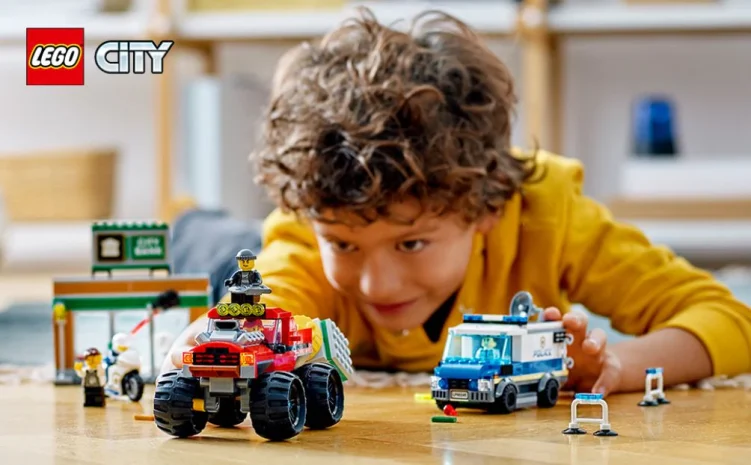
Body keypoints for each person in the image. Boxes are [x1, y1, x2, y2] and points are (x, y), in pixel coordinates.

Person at [162, 9, 751, 396]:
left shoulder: (545, 213)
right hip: (228, 248)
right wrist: (221, 338)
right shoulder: (305, 230)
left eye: (411, 243)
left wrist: (618, 365)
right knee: (209, 250)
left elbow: (728, 319)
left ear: (487, 205)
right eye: (344, 244)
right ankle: (188, 221)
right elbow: (265, 311)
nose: (377, 284)